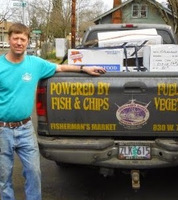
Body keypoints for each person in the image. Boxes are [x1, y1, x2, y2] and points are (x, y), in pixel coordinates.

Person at [0, 22, 106, 200]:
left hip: (25, 129)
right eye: (15, 38)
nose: (19, 42)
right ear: (9, 39)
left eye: (23, 39)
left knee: (34, 171)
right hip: (2, 130)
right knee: (3, 176)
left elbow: (61, 67)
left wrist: (84, 68)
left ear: (27, 42)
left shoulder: (35, 64)